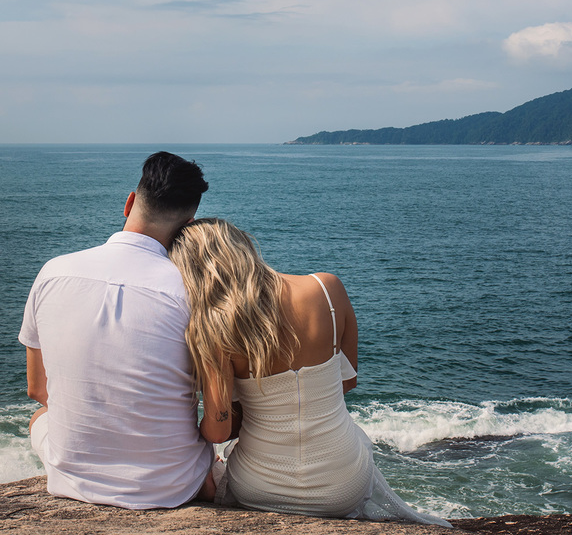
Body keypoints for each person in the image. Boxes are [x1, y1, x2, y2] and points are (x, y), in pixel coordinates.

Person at [169, 218, 451, 526]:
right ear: (242, 246)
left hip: (257, 487)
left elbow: (219, 431)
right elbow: (348, 380)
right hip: (344, 486)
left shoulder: (213, 328)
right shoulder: (327, 289)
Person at [18, 152, 215, 509]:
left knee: (39, 417)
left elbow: (38, 388)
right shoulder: (191, 291)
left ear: (129, 203)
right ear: (189, 224)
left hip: (70, 480)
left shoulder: (53, 272)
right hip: (171, 485)